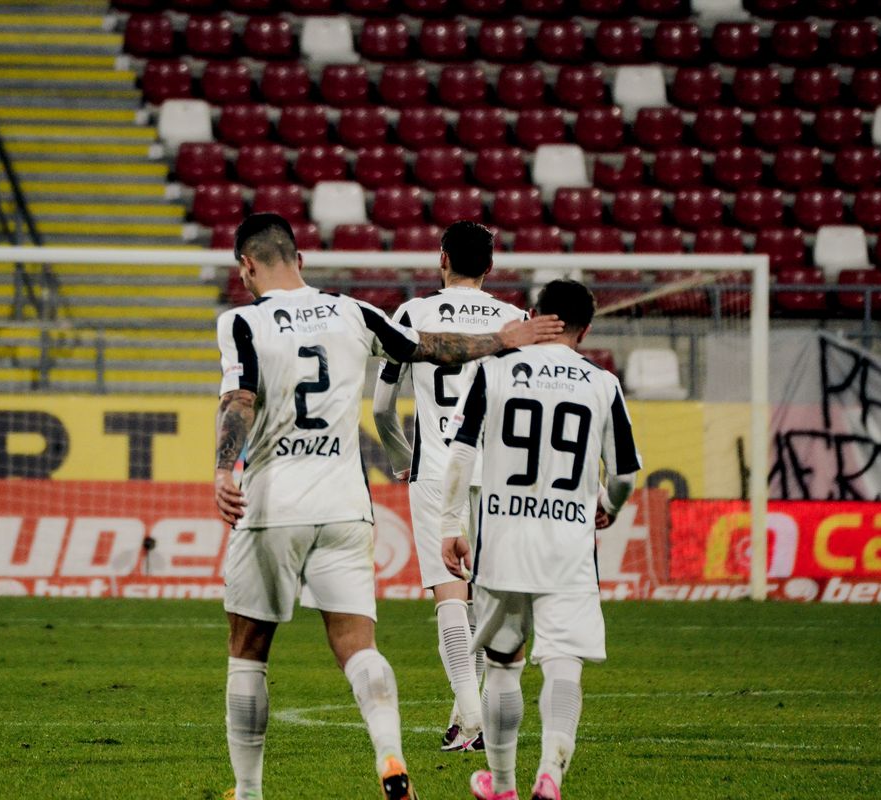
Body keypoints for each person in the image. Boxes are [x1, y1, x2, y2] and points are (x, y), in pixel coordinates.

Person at [214, 213, 565, 800]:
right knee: (360, 646)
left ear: (246, 266)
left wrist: (225, 466)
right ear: (300, 260)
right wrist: (502, 339)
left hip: (273, 504)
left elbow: (240, 397)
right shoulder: (353, 311)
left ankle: (249, 792)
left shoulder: (241, 321)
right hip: (349, 505)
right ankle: (392, 756)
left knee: (248, 653)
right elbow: (430, 349)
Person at [438, 279, 641, 800]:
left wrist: (449, 525)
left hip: (503, 542)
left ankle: (502, 786)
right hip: (569, 547)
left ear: (533, 314)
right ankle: (550, 773)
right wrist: (608, 508)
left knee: (504, 665)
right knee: (562, 662)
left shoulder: (494, 370)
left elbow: (461, 454)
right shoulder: (602, 383)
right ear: (585, 330)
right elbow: (622, 475)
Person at [372, 221, 528, 753]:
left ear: (441, 259)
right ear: (490, 266)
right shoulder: (516, 321)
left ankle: (470, 713)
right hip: (502, 473)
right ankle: (470, 719)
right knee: (486, 598)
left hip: (437, 467)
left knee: (450, 597)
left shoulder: (412, 315)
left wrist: (401, 455)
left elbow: (380, 406)